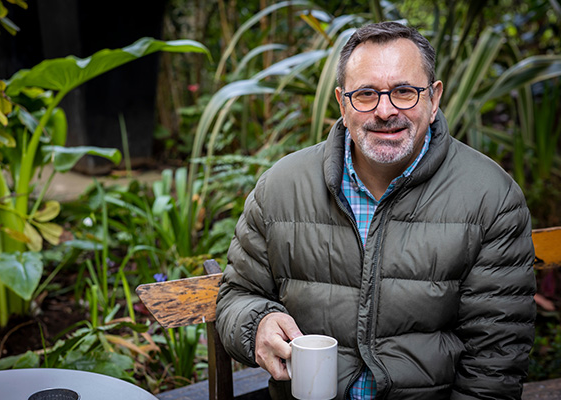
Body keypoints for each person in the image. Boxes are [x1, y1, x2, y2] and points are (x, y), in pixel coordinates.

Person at [215, 21, 536, 399]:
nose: (385, 111)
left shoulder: (491, 197)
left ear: (433, 100)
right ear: (342, 103)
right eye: (366, 94)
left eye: (404, 91)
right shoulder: (282, 187)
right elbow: (236, 295)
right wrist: (257, 325)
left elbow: (495, 360)